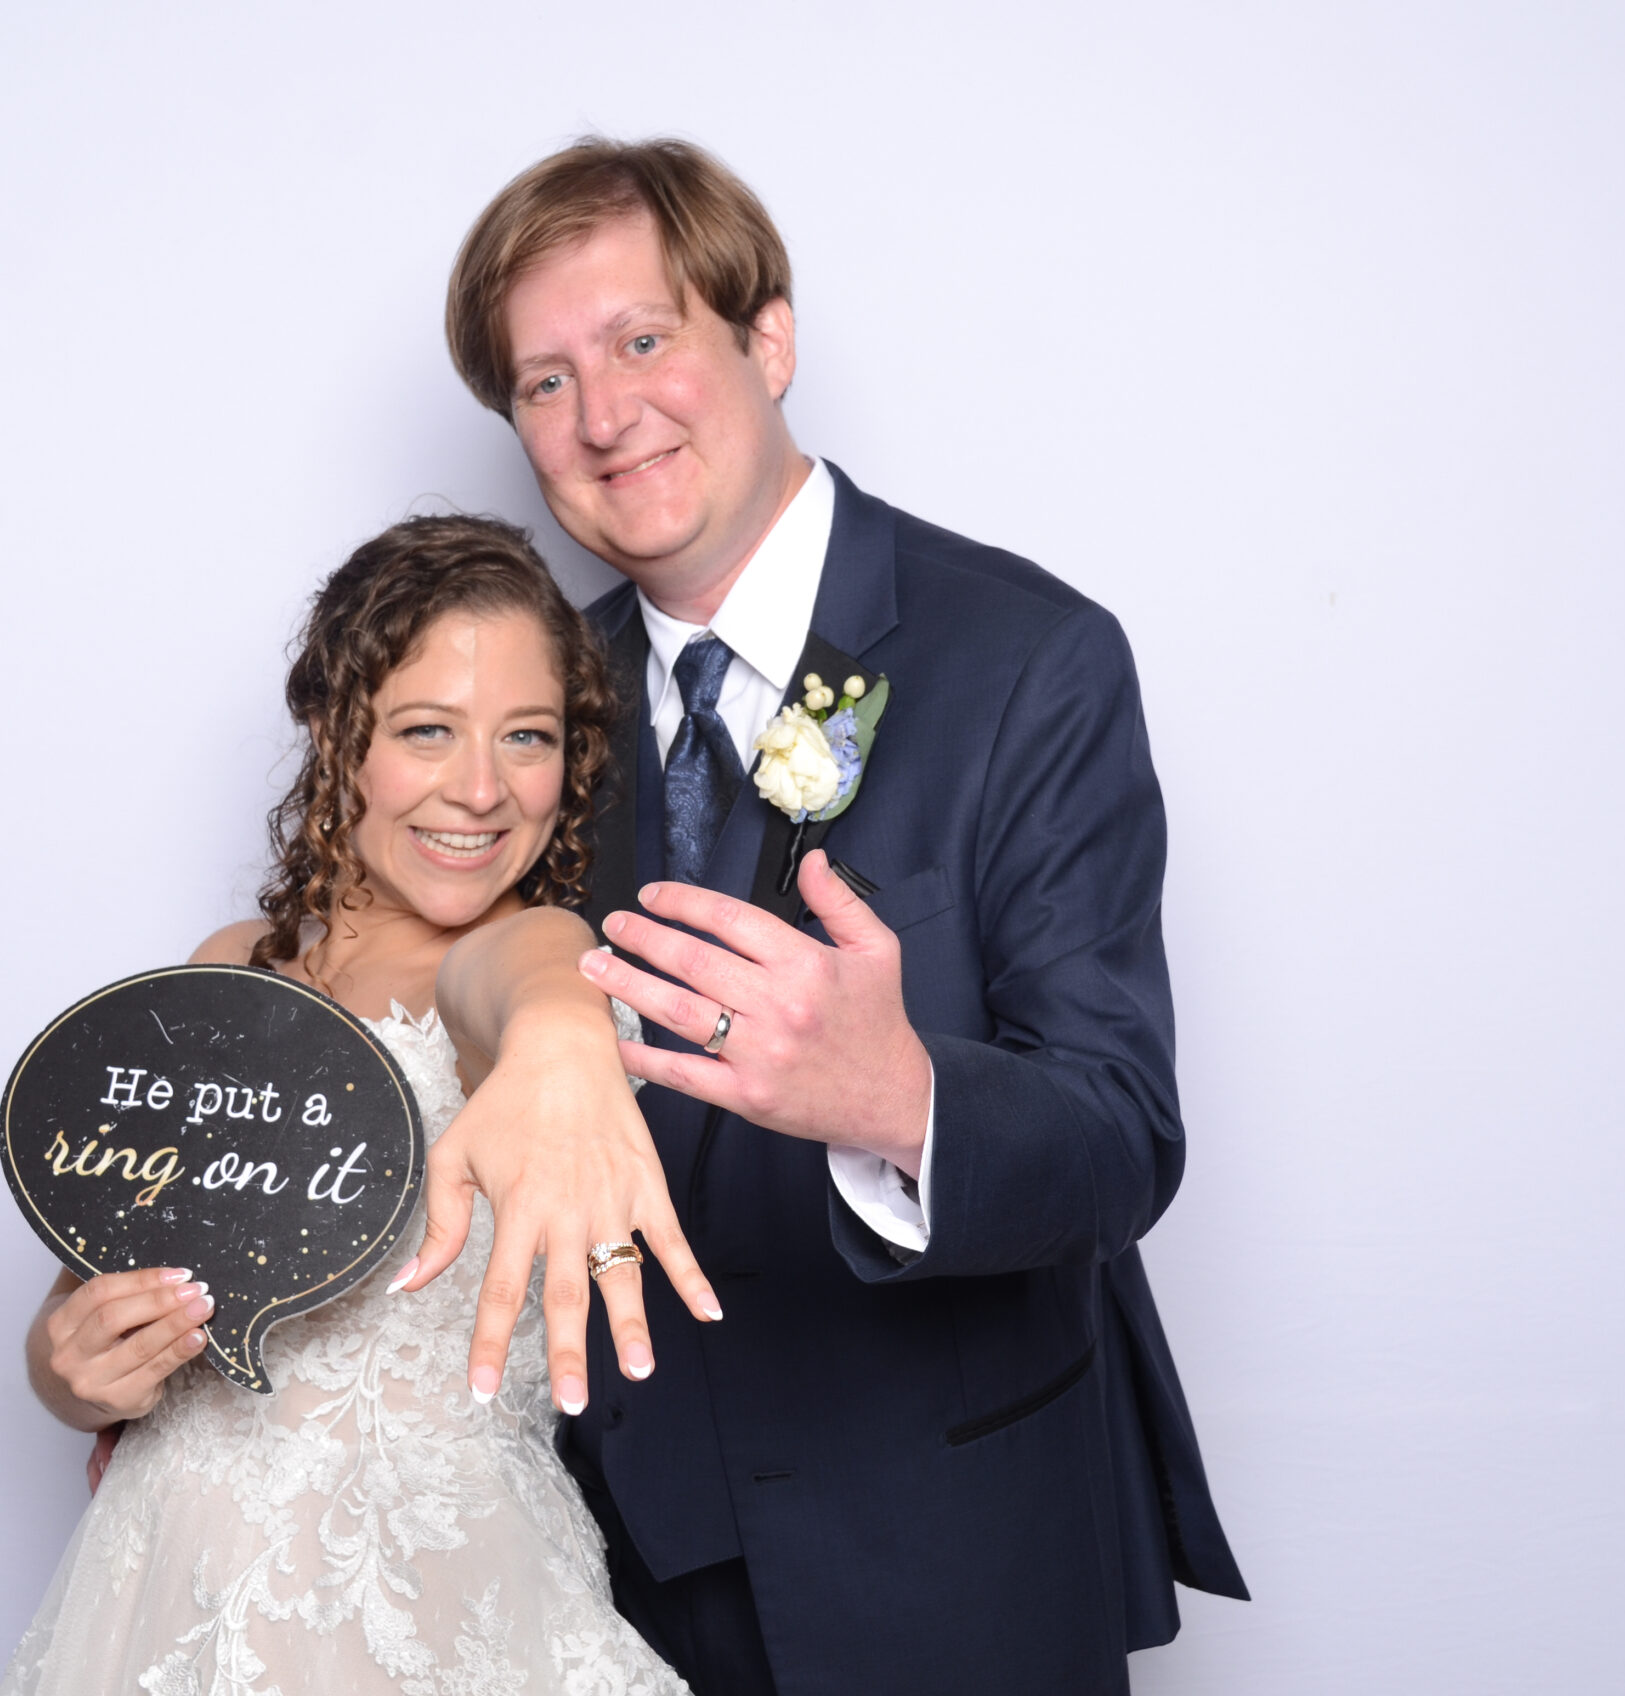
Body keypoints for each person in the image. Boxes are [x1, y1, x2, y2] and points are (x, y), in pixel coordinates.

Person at [385, 139, 1249, 1694]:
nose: (603, 417)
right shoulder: (537, 705)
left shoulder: (1029, 660)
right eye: (545, 382)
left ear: (767, 339)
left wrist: (903, 1098)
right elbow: (404, 1002)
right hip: (612, 1578)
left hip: (956, 1560)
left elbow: (1123, 1139)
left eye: (642, 340)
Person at [0, 515, 694, 1696]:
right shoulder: (227, 971)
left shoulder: (530, 950)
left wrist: (566, 1036)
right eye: (427, 730)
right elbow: (80, 1306)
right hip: (164, 1592)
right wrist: (71, 1372)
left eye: (527, 736)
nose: (481, 789)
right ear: (337, 734)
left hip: (429, 1614)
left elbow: (535, 983)